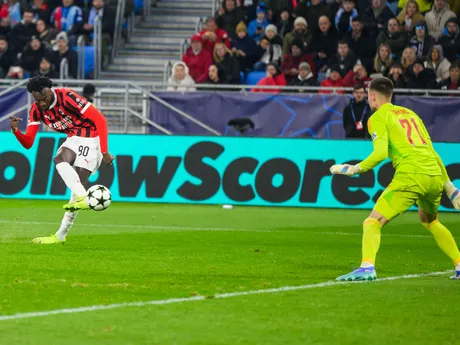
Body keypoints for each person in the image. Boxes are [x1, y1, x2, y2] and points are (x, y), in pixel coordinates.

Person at [330, 77, 460, 281]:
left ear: (372, 96)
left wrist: (354, 169)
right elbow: (432, 152)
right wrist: (451, 189)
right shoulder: (411, 114)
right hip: (434, 175)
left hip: (410, 175)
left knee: (373, 221)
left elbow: (380, 153)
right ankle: (459, 264)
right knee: (430, 220)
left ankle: (367, 267)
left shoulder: (377, 117)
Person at [9, 75, 114, 244]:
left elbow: (100, 120)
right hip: (74, 137)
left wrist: (105, 151)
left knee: (76, 189)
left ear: (49, 91)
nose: (42, 103)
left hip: (92, 136)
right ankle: (80, 202)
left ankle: (61, 234)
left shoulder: (67, 97)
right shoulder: (36, 110)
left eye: (44, 98)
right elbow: (28, 143)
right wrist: (16, 131)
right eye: (38, 100)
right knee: (60, 160)